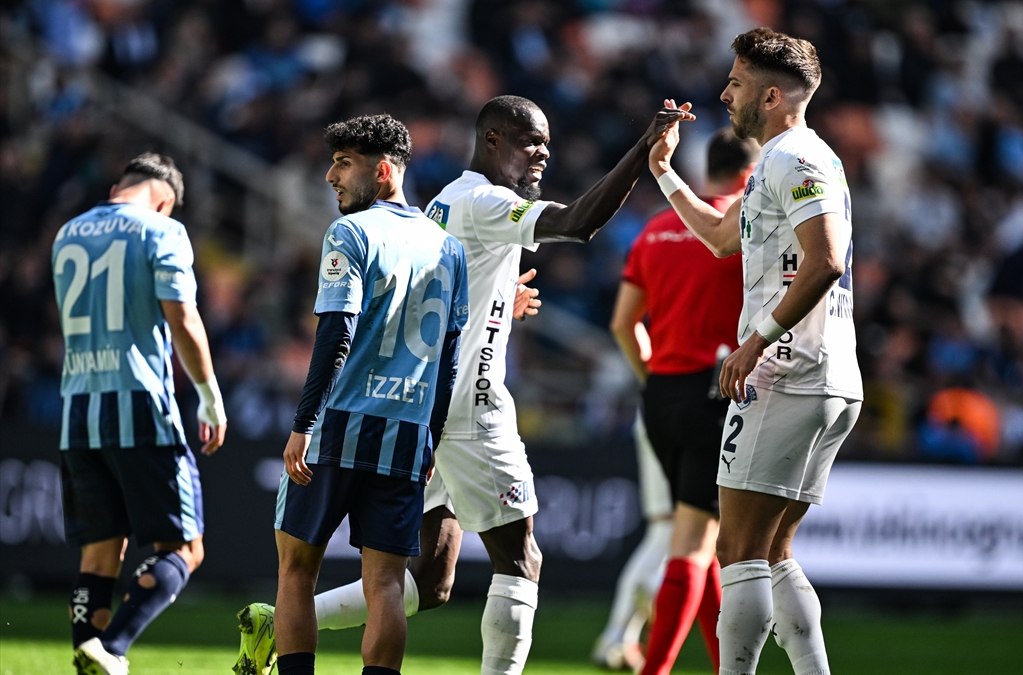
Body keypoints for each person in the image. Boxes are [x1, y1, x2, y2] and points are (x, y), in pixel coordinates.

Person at [235, 96, 689, 675]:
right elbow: (578, 222)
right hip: (471, 406)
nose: (542, 153)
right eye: (531, 141)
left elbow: (436, 294)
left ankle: (278, 624)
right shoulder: (483, 199)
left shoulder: (443, 203)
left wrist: (494, 301)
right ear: (493, 140)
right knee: (520, 558)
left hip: (423, 409)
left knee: (430, 576)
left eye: (547, 144)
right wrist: (645, 150)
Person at [649, 28, 863, 674]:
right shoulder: (796, 158)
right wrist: (662, 171)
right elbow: (721, 237)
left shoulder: (790, 158)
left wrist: (756, 341)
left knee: (737, 551)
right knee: (773, 553)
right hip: (828, 374)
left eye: (737, 82)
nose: (725, 93)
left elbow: (825, 260)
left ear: (771, 96)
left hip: (787, 371)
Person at [267, 113, 469, 675]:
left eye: (343, 163)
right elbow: (449, 358)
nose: (330, 176)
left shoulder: (351, 233)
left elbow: (337, 331)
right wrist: (430, 438)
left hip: (339, 424)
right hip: (406, 431)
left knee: (296, 571)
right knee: (386, 584)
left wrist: (303, 423)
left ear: (382, 171)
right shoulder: (448, 248)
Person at [51, 152, 228, 675]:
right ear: (166, 201)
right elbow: (182, 316)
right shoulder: (162, 230)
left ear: (117, 189)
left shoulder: (67, 233)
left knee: (99, 554)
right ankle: (113, 648)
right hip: (140, 405)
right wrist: (209, 395)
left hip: (77, 411)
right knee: (185, 547)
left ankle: (90, 657)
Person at [611, 127, 758, 675]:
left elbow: (623, 323)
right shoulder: (745, 225)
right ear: (750, 173)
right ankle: (656, 669)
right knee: (694, 545)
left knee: (701, 539)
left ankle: (727, 667)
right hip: (715, 394)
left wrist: (653, 377)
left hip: (661, 397)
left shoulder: (655, 229)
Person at [590, 409, 672, 671]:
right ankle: (621, 638)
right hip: (679, 412)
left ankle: (619, 637)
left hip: (662, 408)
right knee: (673, 532)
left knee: (665, 533)